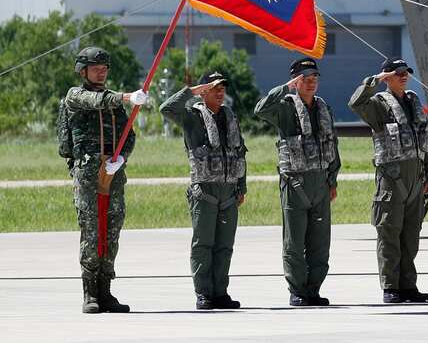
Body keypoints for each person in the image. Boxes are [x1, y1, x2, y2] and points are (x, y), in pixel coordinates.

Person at [58, 46, 148, 314]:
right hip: (87, 174)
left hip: (114, 173)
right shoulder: (75, 95)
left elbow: (128, 135)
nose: (101, 71)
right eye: (96, 67)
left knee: (112, 229)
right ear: (83, 70)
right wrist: (127, 96)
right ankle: (90, 293)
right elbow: (95, 101)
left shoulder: (114, 104)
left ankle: (106, 291)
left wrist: (122, 158)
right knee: (91, 231)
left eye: (105, 67)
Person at [254, 57, 341, 307]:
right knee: (294, 241)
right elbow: (260, 109)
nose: (311, 82)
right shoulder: (285, 107)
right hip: (296, 184)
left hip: (321, 183)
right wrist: (284, 88)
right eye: (305, 78)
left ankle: (313, 290)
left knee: (320, 241)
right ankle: (297, 290)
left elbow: (332, 145)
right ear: (295, 81)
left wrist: (332, 180)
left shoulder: (323, 108)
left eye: (314, 78)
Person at [160, 70, 248, 310]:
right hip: (205, 190)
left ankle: (220, 292)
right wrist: (190, 92)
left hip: (229, 191)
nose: (220, 92)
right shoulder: (192, 117)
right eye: (214, 88)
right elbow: (166, 108)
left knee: (224, 245)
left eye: (222, 88)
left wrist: (242, 186)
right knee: (203, 244)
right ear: (204, 91)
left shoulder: (230, 117)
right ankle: (204, 293)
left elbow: (240, 152)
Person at [349, 58, 428, 304]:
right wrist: (373, 81)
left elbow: (424, 142)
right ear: (387, 77)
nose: (404, 76)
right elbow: (356, 102)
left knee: (410, 236)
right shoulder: (378, 105)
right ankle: (390, 286)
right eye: (398, 73)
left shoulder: (413, 101)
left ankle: (408, 286)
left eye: (405, 72)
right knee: (389, 233)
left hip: (416, 179)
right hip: (392, 179)